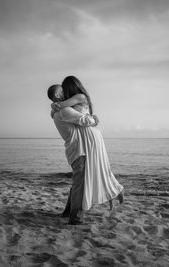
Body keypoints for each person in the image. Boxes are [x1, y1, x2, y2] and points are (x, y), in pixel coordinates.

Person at [54, 76, 124, 212]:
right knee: (96, 170)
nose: (64, 93)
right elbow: (59, 110)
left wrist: (54, 105)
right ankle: (115, 190)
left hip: (91, 135)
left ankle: (116, 189)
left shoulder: (80, 96)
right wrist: (54, 106)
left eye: (65, 89)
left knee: (100, 168)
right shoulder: (71, 103)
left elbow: (60, 107)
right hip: (86, 136)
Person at [47, 84, 98, 225]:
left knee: (77, 182)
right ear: (58, 95)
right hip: (79, 150)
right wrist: (94, 119)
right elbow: (85, 121)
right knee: (79, 184)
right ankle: (75, 217)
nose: (66, 91)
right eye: (62, 90)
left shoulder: (58, 112)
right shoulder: (65, 111)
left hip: (73, 149)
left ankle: (68, 212)